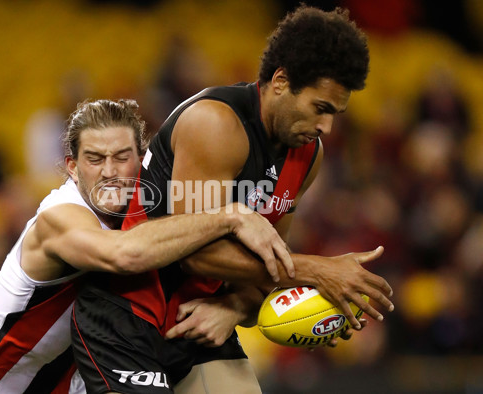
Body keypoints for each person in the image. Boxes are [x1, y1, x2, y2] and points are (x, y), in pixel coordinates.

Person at [72, 5, 395, 394]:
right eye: (320, 109)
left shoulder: (307, 155)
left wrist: (237, 307)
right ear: (280, 81)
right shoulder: (215, 124)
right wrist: (319, 272)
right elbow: (194, 252)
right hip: (126, 315)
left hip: (201, 319)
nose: (326, 126)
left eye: (335, 114)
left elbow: (269, 262)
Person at [0, 99, 292, 394]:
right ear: (73, 168)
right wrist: (231, 216)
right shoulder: (60, 217)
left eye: (122, 157)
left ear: (141, 160)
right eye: (94, 159)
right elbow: (124, 253)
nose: (110, 171)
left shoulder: (156, 209)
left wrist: (235, 305)